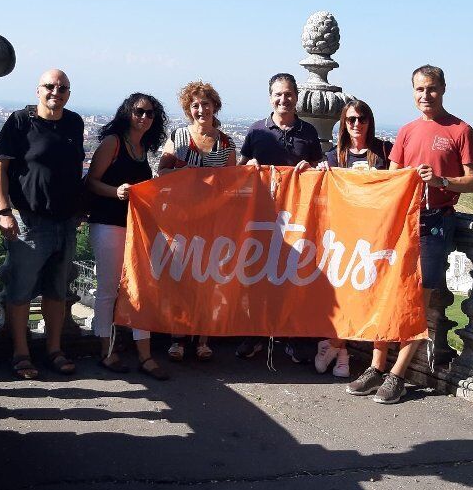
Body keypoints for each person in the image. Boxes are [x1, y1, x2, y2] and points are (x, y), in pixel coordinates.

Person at [348, 64, 473, 404]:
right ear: (413, 92)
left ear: (443, 89)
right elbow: (391, 179)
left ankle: (398, 374)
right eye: (420, 89)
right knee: (389, 296)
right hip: (402, 222)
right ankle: (377, 367)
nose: (425, 95)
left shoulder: (460, 130)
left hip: (435, 222)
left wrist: (440, 182)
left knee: (418, 303)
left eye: (432, 89)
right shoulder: (407, 131)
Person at [0, 69, 85, 379]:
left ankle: (54, 349)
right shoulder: (20, 121)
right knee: (20, 291)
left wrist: (80, 208)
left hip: (66, 221)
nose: (56, 91)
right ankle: (21, 352)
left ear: (69, 94)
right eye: (50, 86)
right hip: (30, 222)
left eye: (63, 88)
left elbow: (73, 169)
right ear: (38, 90)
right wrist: (4, 210)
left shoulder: (74, 123)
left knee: (58, 291)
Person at [237, 72, 325, 360]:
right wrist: (248, 166)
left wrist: (312, 167)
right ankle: (257, 334)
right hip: (261, 217)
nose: (283, 99)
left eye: (288, 94)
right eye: (278, 94)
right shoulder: (256, 131)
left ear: (296, 97)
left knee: (291, 277)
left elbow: (318, 169)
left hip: (297, 218)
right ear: (270, 97)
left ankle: (288, 336)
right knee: (258, 278)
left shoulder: (309, 132)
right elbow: (239, 170)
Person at [86, 92, 169, 379]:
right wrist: (116, 192)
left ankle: (144, 355)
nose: (144, 118)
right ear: (127, 113)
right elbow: (90, 182)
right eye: (139, 112)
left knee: (138, 288)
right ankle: (107, 351)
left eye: (150, 114)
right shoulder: (114, 143)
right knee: (108, 289)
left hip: (135, 227)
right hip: (108, 223)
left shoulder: (142, 146)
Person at [158, 80, 237, 363]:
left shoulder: (227, 143)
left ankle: (203, 338)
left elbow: (232, 186)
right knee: (180, 277)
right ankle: (178, 338)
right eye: (195, 105)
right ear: (188, 110)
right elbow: (162, 173)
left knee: (207, 280)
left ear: (215, 106)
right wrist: (187, 175)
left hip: (213, 221)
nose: (201, 109)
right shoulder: (178, 136)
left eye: (205, 103)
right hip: (181, 219)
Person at [315, 100, 391, 378]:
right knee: (344, 294)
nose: (356, 124)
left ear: (370, 121)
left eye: (361, 119)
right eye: (350, 120)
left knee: (370, 294)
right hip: (346, 232)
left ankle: (334, 346)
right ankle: (341, 349)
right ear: (343, 124)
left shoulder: (383, 151)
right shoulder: (336, 155)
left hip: (377, 233)